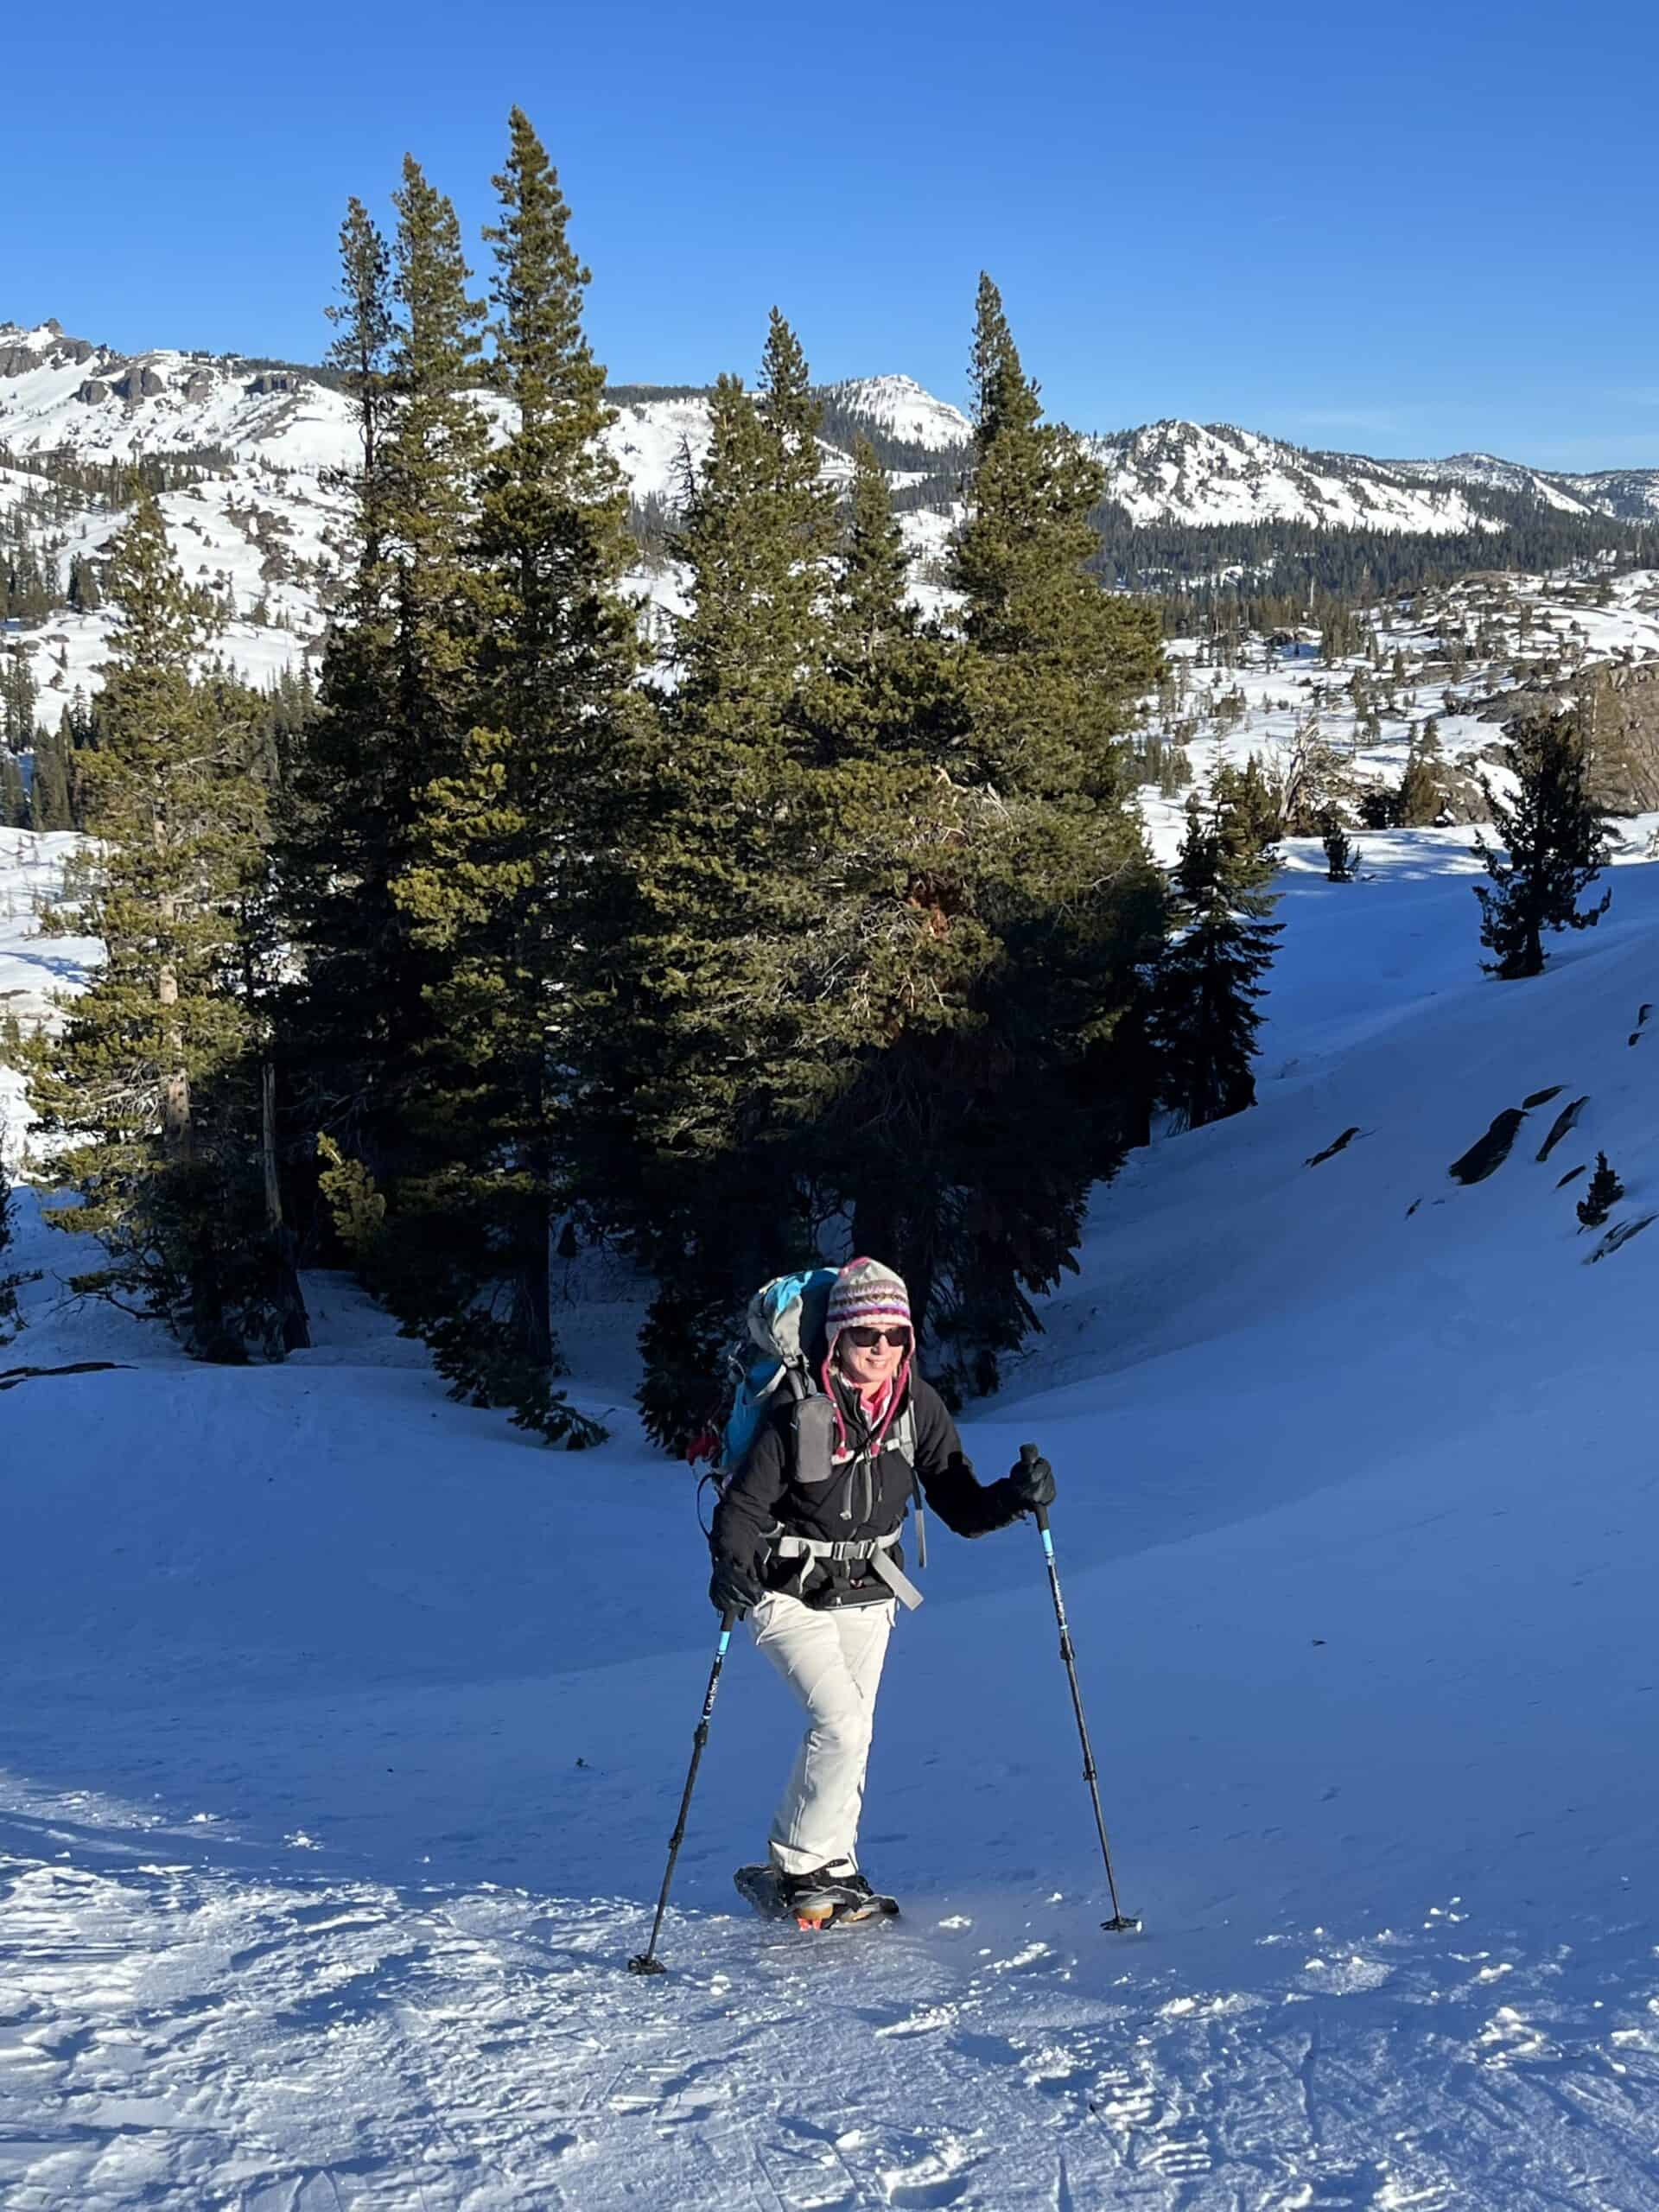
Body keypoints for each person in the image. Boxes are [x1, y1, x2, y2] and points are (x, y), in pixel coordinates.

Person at [709, 1255, 1055, 1923]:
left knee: (852, 1731)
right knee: (838, 1723)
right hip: (783, 1590)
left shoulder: (916, 1406)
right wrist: (730, 1567)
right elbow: (742, 1509)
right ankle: (805, 1868)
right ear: (838, 1337)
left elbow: (961, 1507)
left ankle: (828, 1863)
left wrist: (1017, 1496)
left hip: (869, 1592)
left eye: (896, 1336)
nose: (882, 1348)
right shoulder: (799, 1412)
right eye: (868, 1335)